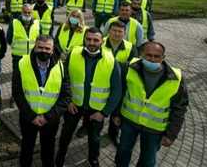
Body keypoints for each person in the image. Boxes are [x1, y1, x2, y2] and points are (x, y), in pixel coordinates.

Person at [115, 41, 189, 167]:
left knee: (148, 161)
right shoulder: (129, 68)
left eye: (157, 56)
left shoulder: (176, 77)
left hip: (154, 129)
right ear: (142, 55)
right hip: (129, 122)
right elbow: (120, 93)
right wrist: (116, 114)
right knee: (123, 151)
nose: (152, 59)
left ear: (163, 58)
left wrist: (171, 134)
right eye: (148, 55)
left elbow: (180, 108)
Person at [55, 28, 121, 167]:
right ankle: (60, 156)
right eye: (88, 39)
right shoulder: (73, 54)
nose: (92, 43)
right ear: (84, 39)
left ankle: (93, 159)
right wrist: (67, 102)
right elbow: (63, 79)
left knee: (94, 138)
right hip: (74, 106)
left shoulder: (111, 60)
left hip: (96, 110)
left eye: (96, 40)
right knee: (66, 134)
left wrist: (104, 113)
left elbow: (117, 90)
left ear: (102, 41)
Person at [12, 35, 71, 167]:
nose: (43, 51)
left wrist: (47, 117)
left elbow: (66, 96)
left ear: (52, 50)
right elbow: (17, 93)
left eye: (47, 48)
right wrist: (32, 116)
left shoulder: (61, 67)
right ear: (35, 47)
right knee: (27, 149)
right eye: (40, 47)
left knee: (48, 151)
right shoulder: (22, 63)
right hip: (28, 118)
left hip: (50, 119)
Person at [102, 21, 136, 146]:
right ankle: (86, 127)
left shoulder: (130, 47)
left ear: (124, 33)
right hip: (102, 81)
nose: (116, 34)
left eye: (120, 31)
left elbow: (134, 66)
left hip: (120, 84)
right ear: (109, 31)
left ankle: (113, 133)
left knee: (117, 110)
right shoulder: (101, 42)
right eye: (114, 30)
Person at [7, 4, 40, 70]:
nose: (27, 14)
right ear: (21, 12)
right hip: (18, 57)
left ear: (32, 13)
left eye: (29, 12)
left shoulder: (37, 24)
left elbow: (39, 39)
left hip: (32, 57)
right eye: (25, 12)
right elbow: (9, 39)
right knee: (17, 77)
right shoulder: (14, 23)